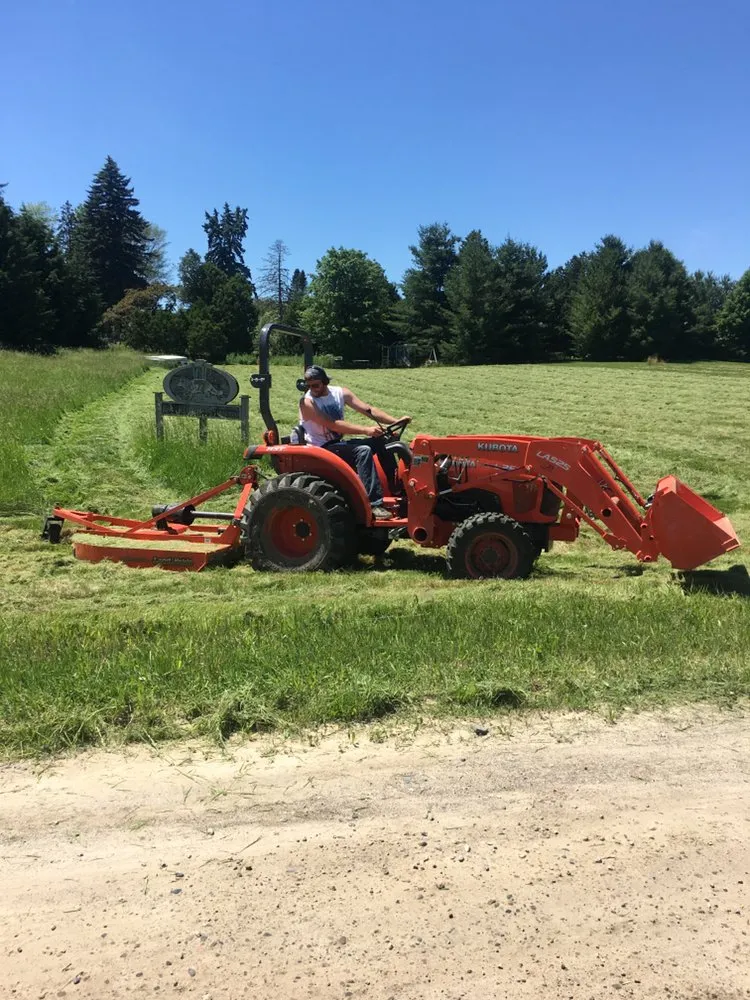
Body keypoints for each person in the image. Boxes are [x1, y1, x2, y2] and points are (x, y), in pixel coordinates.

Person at [298, 365, 411, 519]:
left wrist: (396, 421)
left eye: (316, 385)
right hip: (322, 448)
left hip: (337, 443)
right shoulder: (307, 402)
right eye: (309, 386)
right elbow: (332, 424)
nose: (313, 389)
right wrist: (366, 430)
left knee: (381, 441)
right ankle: (375, 505)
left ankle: (396, 487)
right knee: (362, 451)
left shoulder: (340, 393)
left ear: (325, 382)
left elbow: (368, 409)